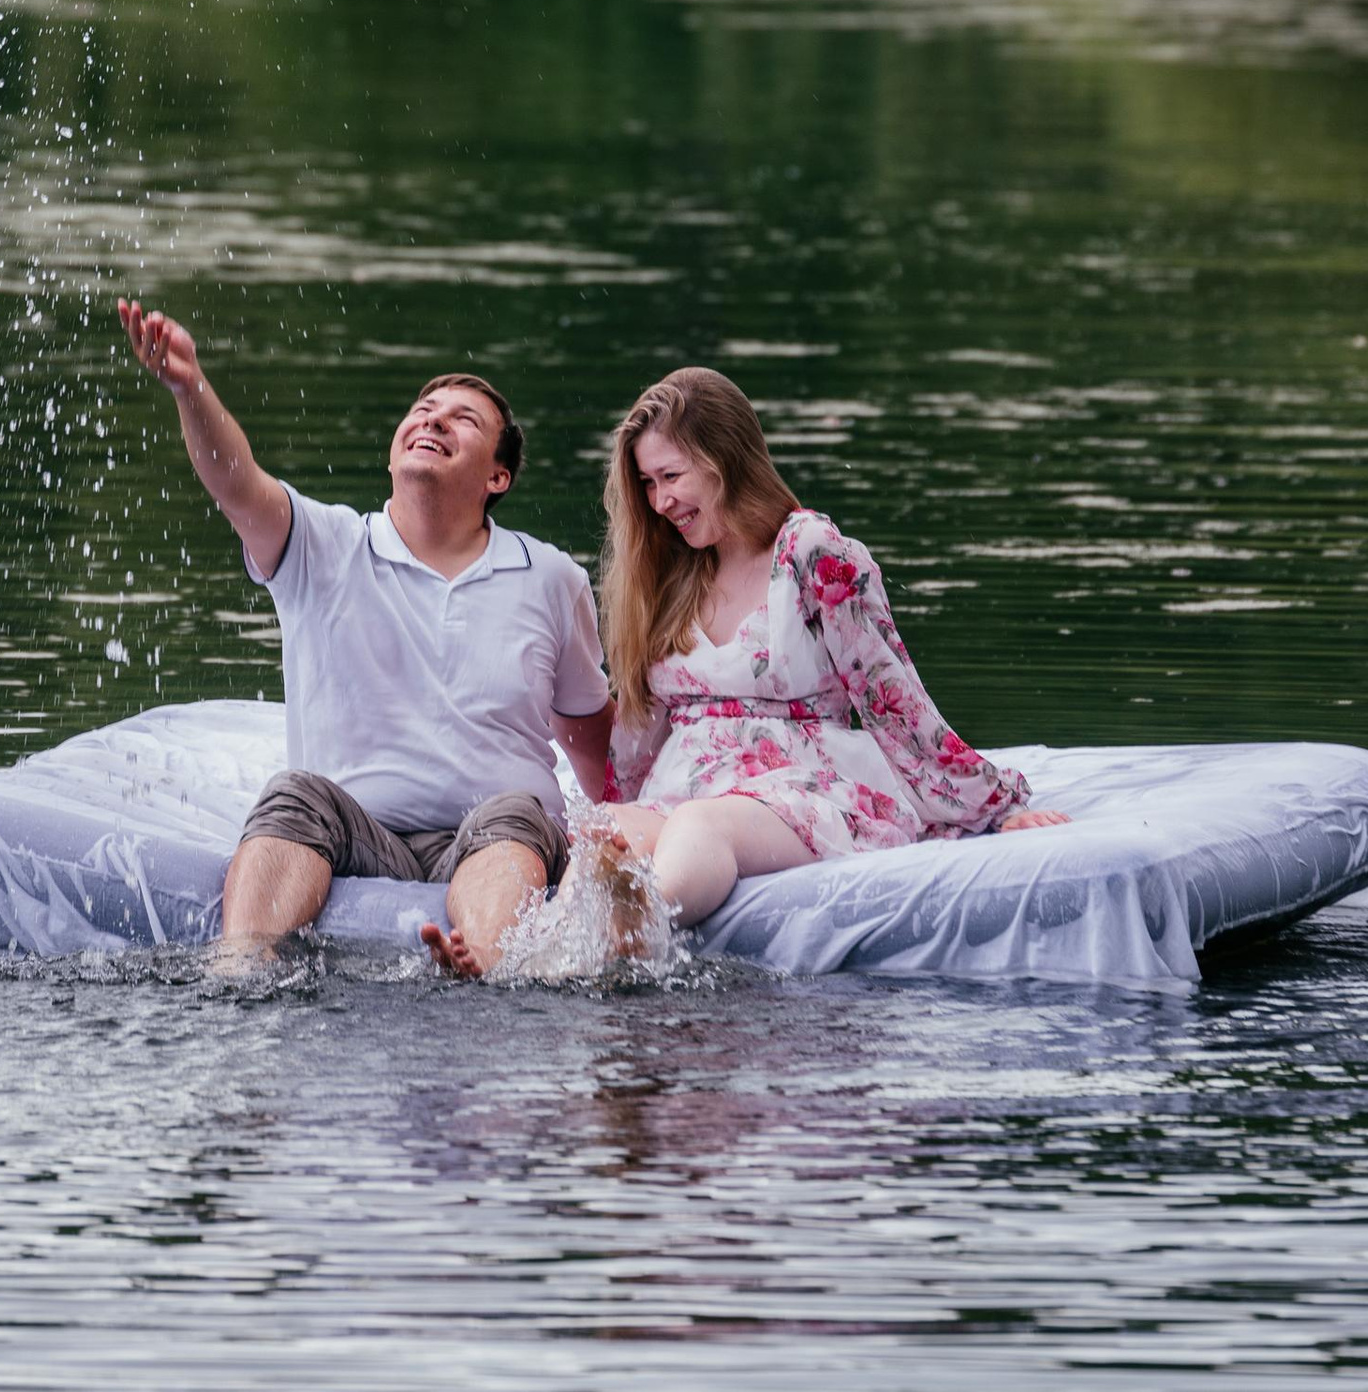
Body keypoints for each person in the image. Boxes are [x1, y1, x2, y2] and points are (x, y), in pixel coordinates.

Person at [424, 365, 1070, 977]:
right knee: (607, 833)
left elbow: (891, 696)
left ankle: (637, 926)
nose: (660, 501)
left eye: (671, 477)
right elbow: (644, 727)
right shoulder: (670, 574)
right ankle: (522, 961)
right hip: (688, 779)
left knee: (701, 826)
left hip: (797, 782)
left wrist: (990, 806)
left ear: (723, 459)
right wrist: (613, 812)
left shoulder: (810, 552)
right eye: (648, 485)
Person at [117, 301, 613, 969]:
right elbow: (236, 485)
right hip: (353, 830)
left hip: (494, 835)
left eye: (463, 419)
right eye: (423, 409)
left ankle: (492, 965)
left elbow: (592, 741)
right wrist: (190, 387)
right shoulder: (324, 544)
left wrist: (632, 830)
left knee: (516, 810)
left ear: (498, 477)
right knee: (294, 792)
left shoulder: (551, 576)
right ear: (393, 452)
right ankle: (239, 964)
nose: (434, 418)